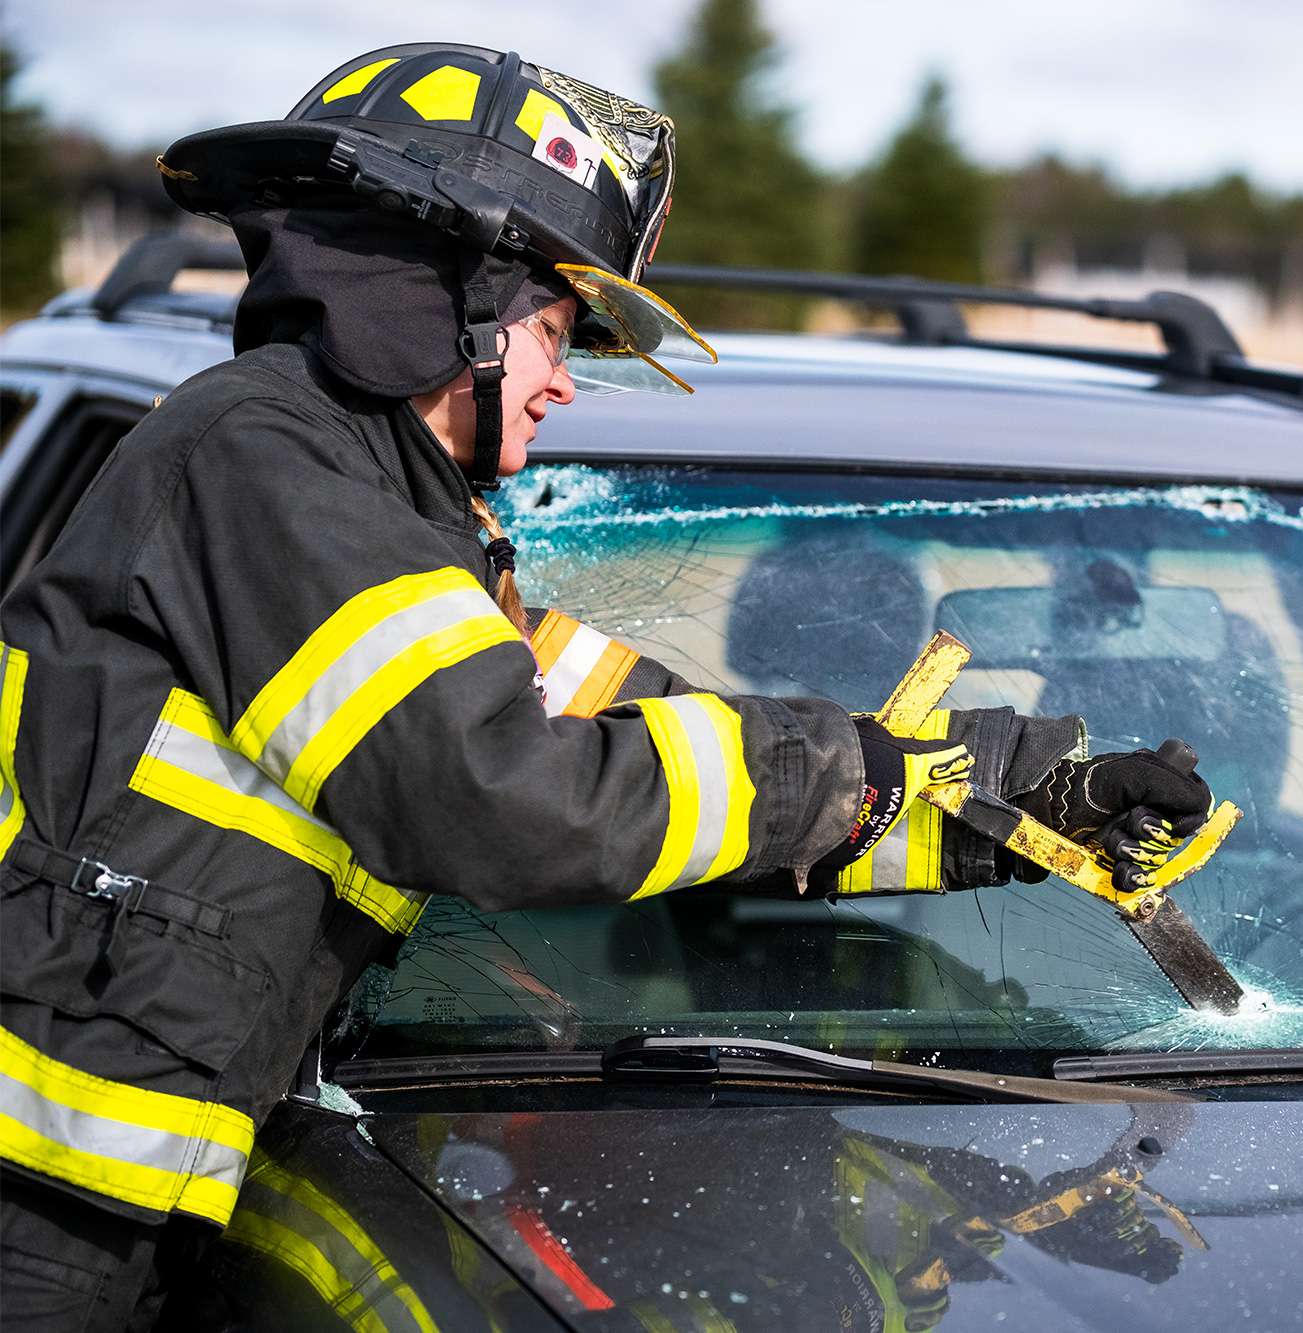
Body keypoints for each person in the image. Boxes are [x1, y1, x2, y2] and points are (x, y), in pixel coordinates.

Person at [0, 43, 1214, 1331]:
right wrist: (827, 776)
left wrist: (1016, 797)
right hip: (42, 1197)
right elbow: (498, 795)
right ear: (440, 296)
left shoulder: (396, 520)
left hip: (128, 1174)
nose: (564, 380)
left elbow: (662, 751)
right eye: (552, 331)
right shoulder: (266, 461)